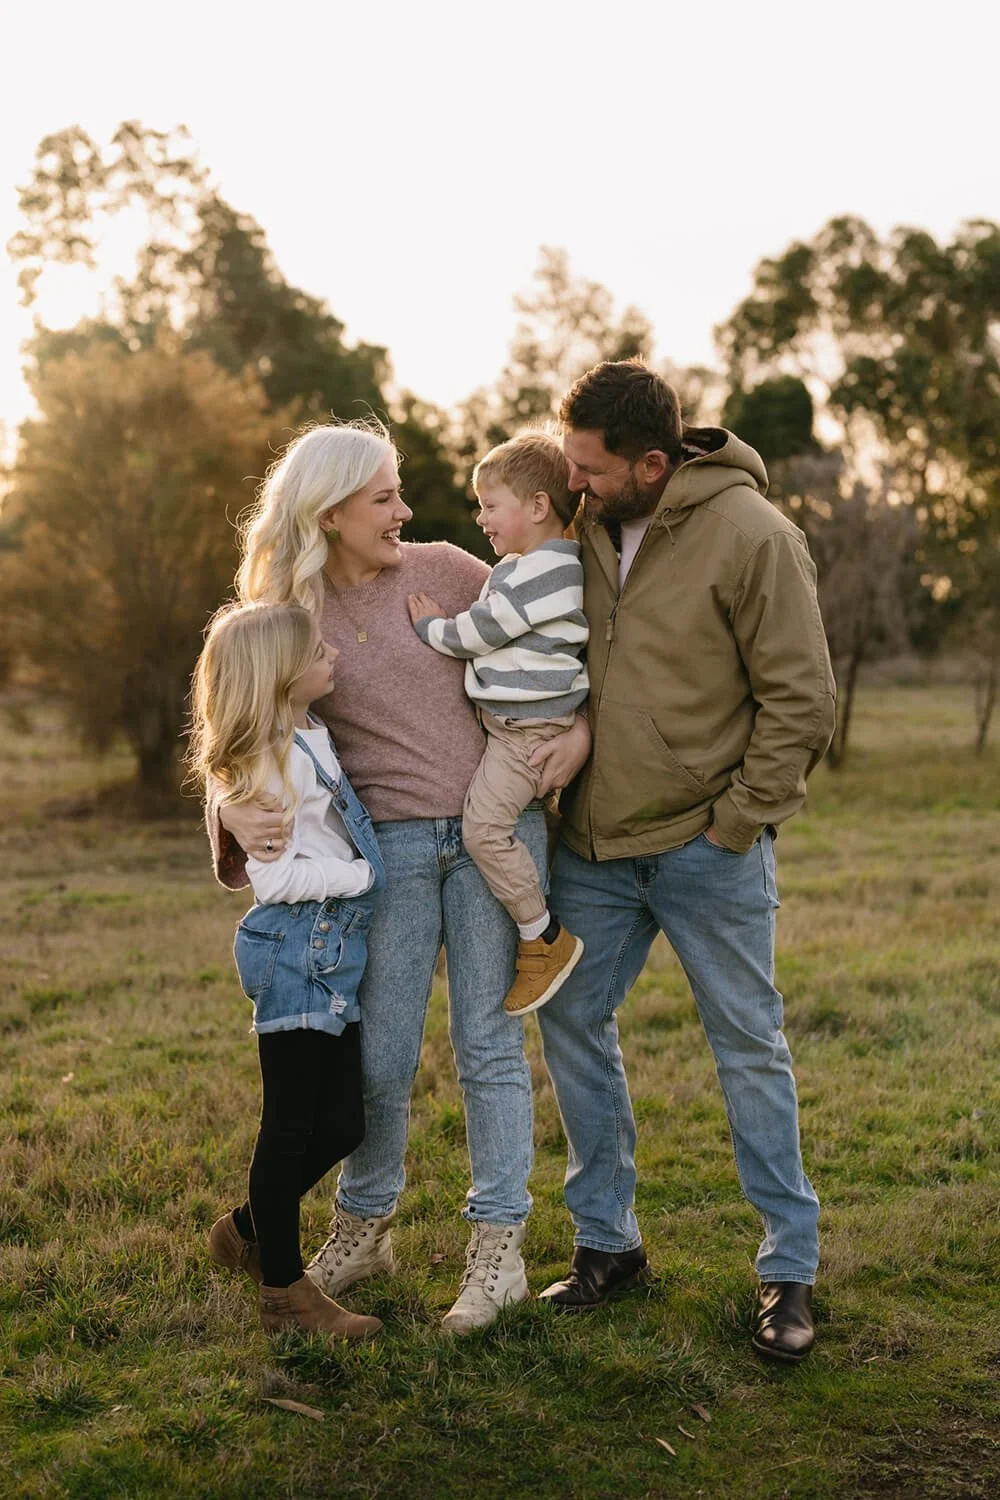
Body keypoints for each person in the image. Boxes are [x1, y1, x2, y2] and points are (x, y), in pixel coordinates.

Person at [210, 420, 592, 1333]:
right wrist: (226, 813)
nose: (405, 511)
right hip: (388, 858)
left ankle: (498, 1250)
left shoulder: (456, 570)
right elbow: (238, 737)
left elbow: (568, 649)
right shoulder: (286, 616)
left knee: (490, 1047)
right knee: (379, 1059)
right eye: (385, 496)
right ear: (330, 509)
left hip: (491, 835)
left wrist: (581, 731)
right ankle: (365, 1224)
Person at [534, 360, 836, 1365]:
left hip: (708, 848)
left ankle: (788, 1268)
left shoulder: (751, 533)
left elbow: (801, 698)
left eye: (591, 468)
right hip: (593, 850)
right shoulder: (574, 525)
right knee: (571, 1018)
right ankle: (607, 1247)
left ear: (652, 464)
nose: (575, 483)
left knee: (747, 1046)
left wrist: (735, 825)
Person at [190, 600, 384, 1341]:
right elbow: (273, 882)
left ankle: (244, 1228)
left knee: (343, 1124)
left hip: (329, 952)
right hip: (297, 948)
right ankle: (284, 1293)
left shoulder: (308, 733)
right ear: (279, 674)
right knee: (292, 1124)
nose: (331, 654)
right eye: (316, 650)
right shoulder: (267, 761)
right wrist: (357, 877)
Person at [406, 432, 588, 1017]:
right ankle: (541, 931)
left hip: (524, 738)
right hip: (517, 729)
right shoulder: (533, 565)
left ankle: (543, 938)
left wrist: (432, 628)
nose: (480, 517)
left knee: (483, 831)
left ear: (537, 507)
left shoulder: (542, 572)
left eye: (490, 504)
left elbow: (480, 631)